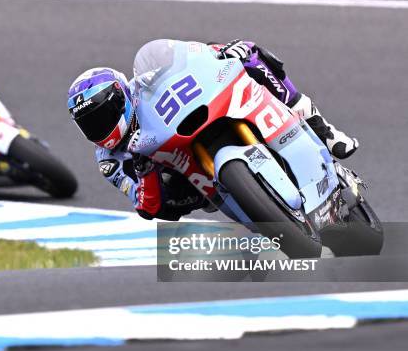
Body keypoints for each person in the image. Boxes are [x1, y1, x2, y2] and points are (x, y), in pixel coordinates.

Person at [67, 39, 359, 221]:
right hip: (184, 183)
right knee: (164, 207)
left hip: (194, 117)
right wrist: (145, 174)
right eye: (90, 123)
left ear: (121, 97)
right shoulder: (109, 160)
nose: (100, 127)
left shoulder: (141, 87)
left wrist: (222, 52)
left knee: (251, 53)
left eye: (103, 115)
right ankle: (258, 203)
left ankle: (323, 129)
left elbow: (191, 58)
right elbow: (145, 207)